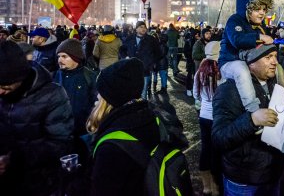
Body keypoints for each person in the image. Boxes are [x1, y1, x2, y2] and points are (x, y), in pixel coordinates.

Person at [0, 40, 74, 196]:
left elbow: (60, 143)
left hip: (39, 182)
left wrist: (14, 159)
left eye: (5, 87)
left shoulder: (53, 95)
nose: (0, 92)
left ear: (20, 77)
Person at [212, 44, 284, 195]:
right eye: (268, 57)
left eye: (275, 57)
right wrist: (251, 120)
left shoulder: (275, 83)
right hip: (244, 181)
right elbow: (219, 138)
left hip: (273, 173)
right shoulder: (229, 90)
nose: (275, 62)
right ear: (251, 62)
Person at [87, 58, 163, 196]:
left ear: (112, 96)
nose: (97, 95)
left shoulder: (111, 146)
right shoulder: (149, 117)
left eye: (101, 92)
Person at [218, 0, 275, 113]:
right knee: (241, 70)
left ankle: (281, 100)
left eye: (264, 9)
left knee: (276, 67)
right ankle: (253, 110)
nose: (262, 13)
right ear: (247, 8)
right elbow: (237, 40)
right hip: (229, 63)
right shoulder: (235, 20)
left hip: (250, 62)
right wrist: (259, 36)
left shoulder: (261, 26)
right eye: (257, 9)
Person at [53, 39, 97, 154]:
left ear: (76, 57)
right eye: (59, 56)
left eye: (64, 56)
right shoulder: (55, 76)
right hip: (60, 134)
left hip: (83, 133)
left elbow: (96, 105)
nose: (60, 60)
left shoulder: (90, 77)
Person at [193, 41, 222, 196]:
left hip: (204, 115)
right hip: (218, 117)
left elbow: (196, 94)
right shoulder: (222, 71)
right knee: (217, 151)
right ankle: (217, 187)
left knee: (206, 149)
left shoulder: (200, 71)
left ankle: (206, 186)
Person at [123, 21, 159, 99]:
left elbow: (158, 52)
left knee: (144, 91)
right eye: (141, 27)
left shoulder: (151, 39)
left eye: (144, 27)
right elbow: (122, 49)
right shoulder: (130, 38)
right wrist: (125, 57)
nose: (143, 29)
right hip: (132, 69)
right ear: (136, 29)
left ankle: (142, 108)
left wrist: (152, 62)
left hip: (145, 69)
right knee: (132, 90)